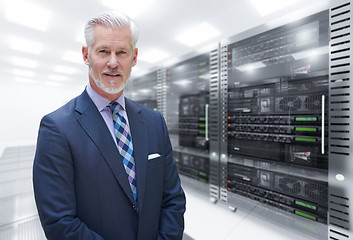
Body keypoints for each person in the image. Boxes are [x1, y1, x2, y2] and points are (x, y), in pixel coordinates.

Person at [33, 11, 186, 240]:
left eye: (122, 52)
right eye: (103, 51)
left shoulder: (154, 122)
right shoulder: (57, 128)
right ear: (86, 55)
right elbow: (60, 223)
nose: (113, 62)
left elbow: (172, 199)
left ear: (134, 58)